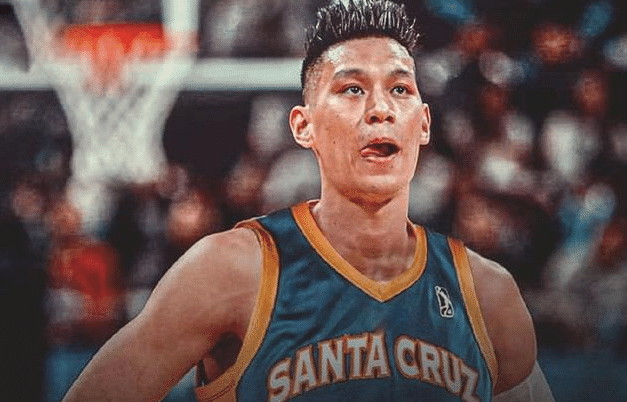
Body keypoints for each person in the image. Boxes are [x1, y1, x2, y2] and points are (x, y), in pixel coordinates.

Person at [62, 1, 555, 401]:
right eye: (352, 89)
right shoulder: (230, 273)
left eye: (400, 89)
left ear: (423, 124)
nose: (380, 109)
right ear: (303, 126)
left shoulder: (489, 295)